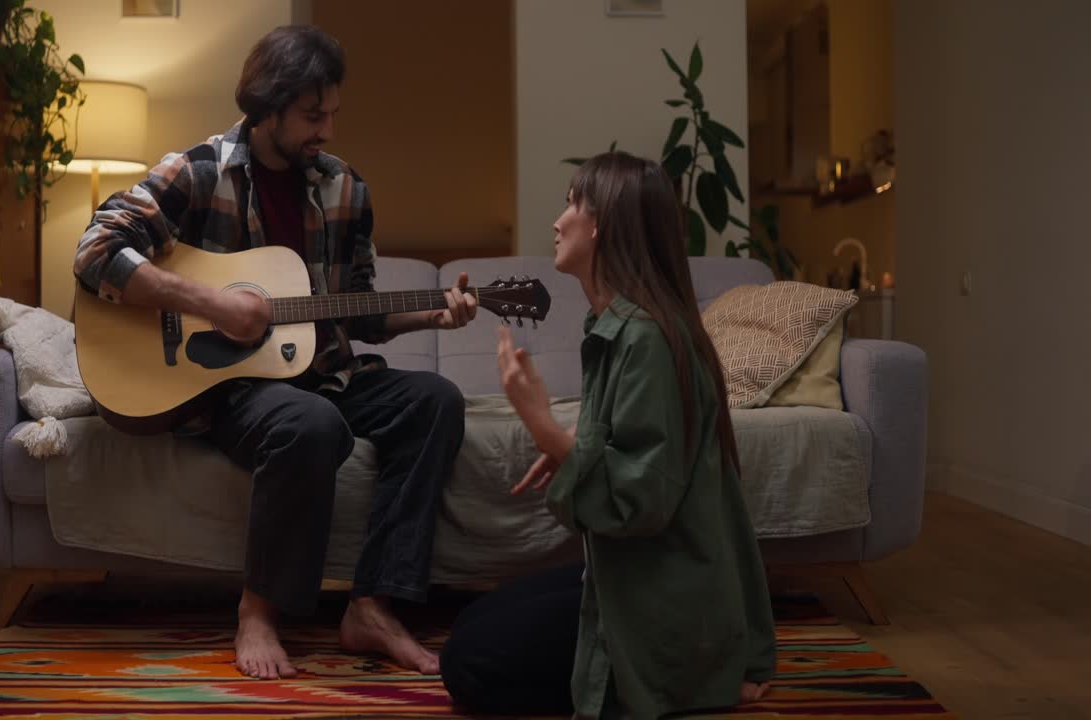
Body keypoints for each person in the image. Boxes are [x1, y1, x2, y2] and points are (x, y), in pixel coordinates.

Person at [73, 25, 477, 679]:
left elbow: (361, 307)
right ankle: (257, 613)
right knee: (308, 423)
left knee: (436, 400)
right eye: (313, 116)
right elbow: (95, 252)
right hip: (232, 388)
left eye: (333, 114)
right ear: (268, 105)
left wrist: (436, 313)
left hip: (325, 373)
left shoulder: (347, 189)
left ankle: (372, 606)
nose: (328, 132)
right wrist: (209, 304)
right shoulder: (196, 171)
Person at [438, 152, 776, 717]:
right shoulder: (617, 325)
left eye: (573, 203)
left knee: (468, 662)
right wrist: (571, 447)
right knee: (475, 618)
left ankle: (692, 678)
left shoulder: (647, 339)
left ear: (601, 226)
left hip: (662, 592)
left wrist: (544, 427)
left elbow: (642, 500)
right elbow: (626, 455)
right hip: (631, 569)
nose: (558, 219)